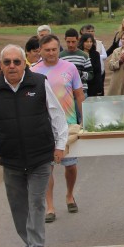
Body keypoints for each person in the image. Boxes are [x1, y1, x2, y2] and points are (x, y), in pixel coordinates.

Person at [0, 44, 68, 247]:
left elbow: (57, 115)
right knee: (18, 206)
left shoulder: (39, 83)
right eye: (7, 62)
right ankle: (29, 246)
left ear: (24, 63)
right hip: (11, 158)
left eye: (16, 61)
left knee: (36, 203)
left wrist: (60, 145)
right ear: (0, 66)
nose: (12, 66)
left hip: (40, 156)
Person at [31, 35, 84, 222]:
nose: (51, 53)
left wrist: (84, 119)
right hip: (44, 127)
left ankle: (69, 195)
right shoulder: (34, 71)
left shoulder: (70, 68)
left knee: (70, 165)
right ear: (40, 51)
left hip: (68, 125)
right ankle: (50, 207)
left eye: (54, 49)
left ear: (58, 49)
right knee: (47, 168)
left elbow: (79, 95)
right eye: (47, 50)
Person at [60, 28, 93, 96]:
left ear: (78, 40)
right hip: (65, 93)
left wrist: (80, 73)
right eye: (68, 42)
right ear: (65, 40)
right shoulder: (60, 56)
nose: (70, 44)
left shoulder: (84, 56)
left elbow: (91, 75)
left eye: (73, 42)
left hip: (81, 92)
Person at [80, 24, 108, 96]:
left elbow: (98, 72)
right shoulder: (78, 54)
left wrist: (99, 88)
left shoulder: (96, 54)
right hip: (81, 85)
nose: (89, 44)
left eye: (90, 42)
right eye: (86, 42)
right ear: (82, 42)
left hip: (94, 86)